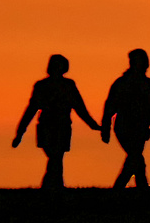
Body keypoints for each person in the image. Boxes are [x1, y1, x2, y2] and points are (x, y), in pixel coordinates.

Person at [13, 54, 101, 189]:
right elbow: (31, 109)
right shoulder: (46, 86)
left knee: (56, 158)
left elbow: (79, 106)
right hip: (50, 125)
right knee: (56, 158)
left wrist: (92, 124)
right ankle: (54, 187)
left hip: (60, 125)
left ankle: (52, 188)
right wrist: (20, 133)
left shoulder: (65, 85)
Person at [100, 48, 150, 189]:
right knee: (135, 158)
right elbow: (110, 107)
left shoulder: (147, 84)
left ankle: (138, 189)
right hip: (125, 128)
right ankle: (124, 188)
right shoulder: (123, 84)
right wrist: (105, 129)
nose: (146, 64)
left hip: (140, 129)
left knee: (136, 159)